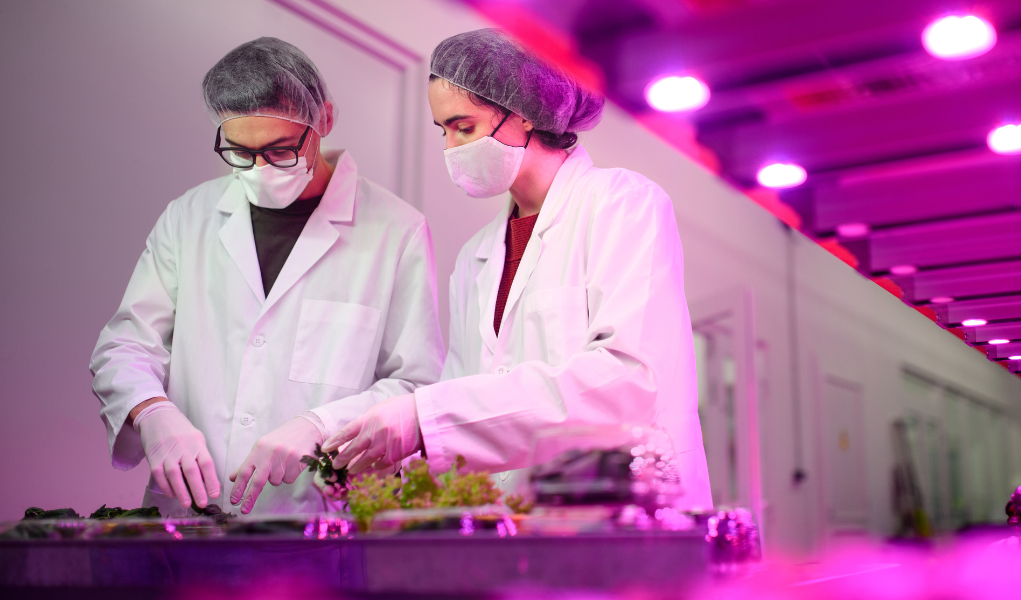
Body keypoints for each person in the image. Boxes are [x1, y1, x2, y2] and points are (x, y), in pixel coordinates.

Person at [323, 29, 712, 509]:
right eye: (443, 131)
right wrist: (406, 456)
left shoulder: (622, 204)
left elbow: (626, 381)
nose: (450, 148)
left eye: (463, 127)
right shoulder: (475, 258)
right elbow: (464, 396)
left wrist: (427, 419)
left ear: (524, 113)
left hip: (625, 511)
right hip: (517, 524)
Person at [90, 37, 444, 516]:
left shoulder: (395, 230)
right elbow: (125, 345)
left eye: (279, 150)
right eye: (239, 151)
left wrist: (319, 424)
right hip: (192, 513)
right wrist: (152, 413)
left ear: (325, 121)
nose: (259, 169)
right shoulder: (188, 217)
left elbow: (416, 383)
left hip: (317, 514)